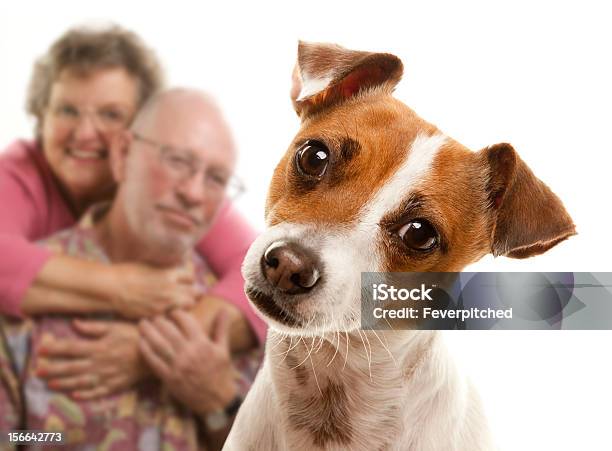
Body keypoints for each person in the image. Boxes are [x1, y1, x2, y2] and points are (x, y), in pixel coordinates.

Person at [0, 88, 263, 450]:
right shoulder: (22, 303)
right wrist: (57, 438)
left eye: (216, 178)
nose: (194, 193)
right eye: (176, 161)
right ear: (123, 154)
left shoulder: (247, 320)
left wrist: (220, 403)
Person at [0, 24, 265, 344]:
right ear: (41, 118)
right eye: (67, 110)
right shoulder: (22, 170)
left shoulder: (179, 189)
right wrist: (119, 287)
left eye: (111, 115)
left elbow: (259, 272)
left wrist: (149, 350)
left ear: (140, 133)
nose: (84, 134)